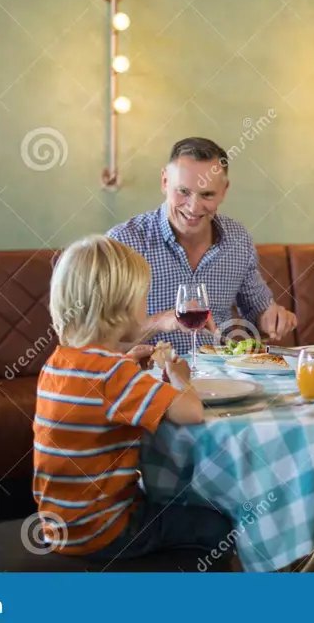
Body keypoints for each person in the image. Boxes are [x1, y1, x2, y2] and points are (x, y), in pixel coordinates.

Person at [33, 235, 232, 564]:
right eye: (143, 296)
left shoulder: (59, 361)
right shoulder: (114, 374)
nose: (146, 304)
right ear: (122, 308)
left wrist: (127, 364)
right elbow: (191, 412)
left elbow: (100, 393)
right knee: (217, 526)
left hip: (61, 524)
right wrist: (178, 374)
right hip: (104, 531)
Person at [107, 138, 297, 355]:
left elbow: (258, 312)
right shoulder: (124, 242)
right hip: (147, 381)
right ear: (165, 181)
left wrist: (272, 318)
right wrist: (160, 322)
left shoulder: (237, 239)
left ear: (224, 191)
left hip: (219, 381)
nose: (193, 207)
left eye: (207, 194)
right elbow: (100, 338)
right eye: (183, 192)